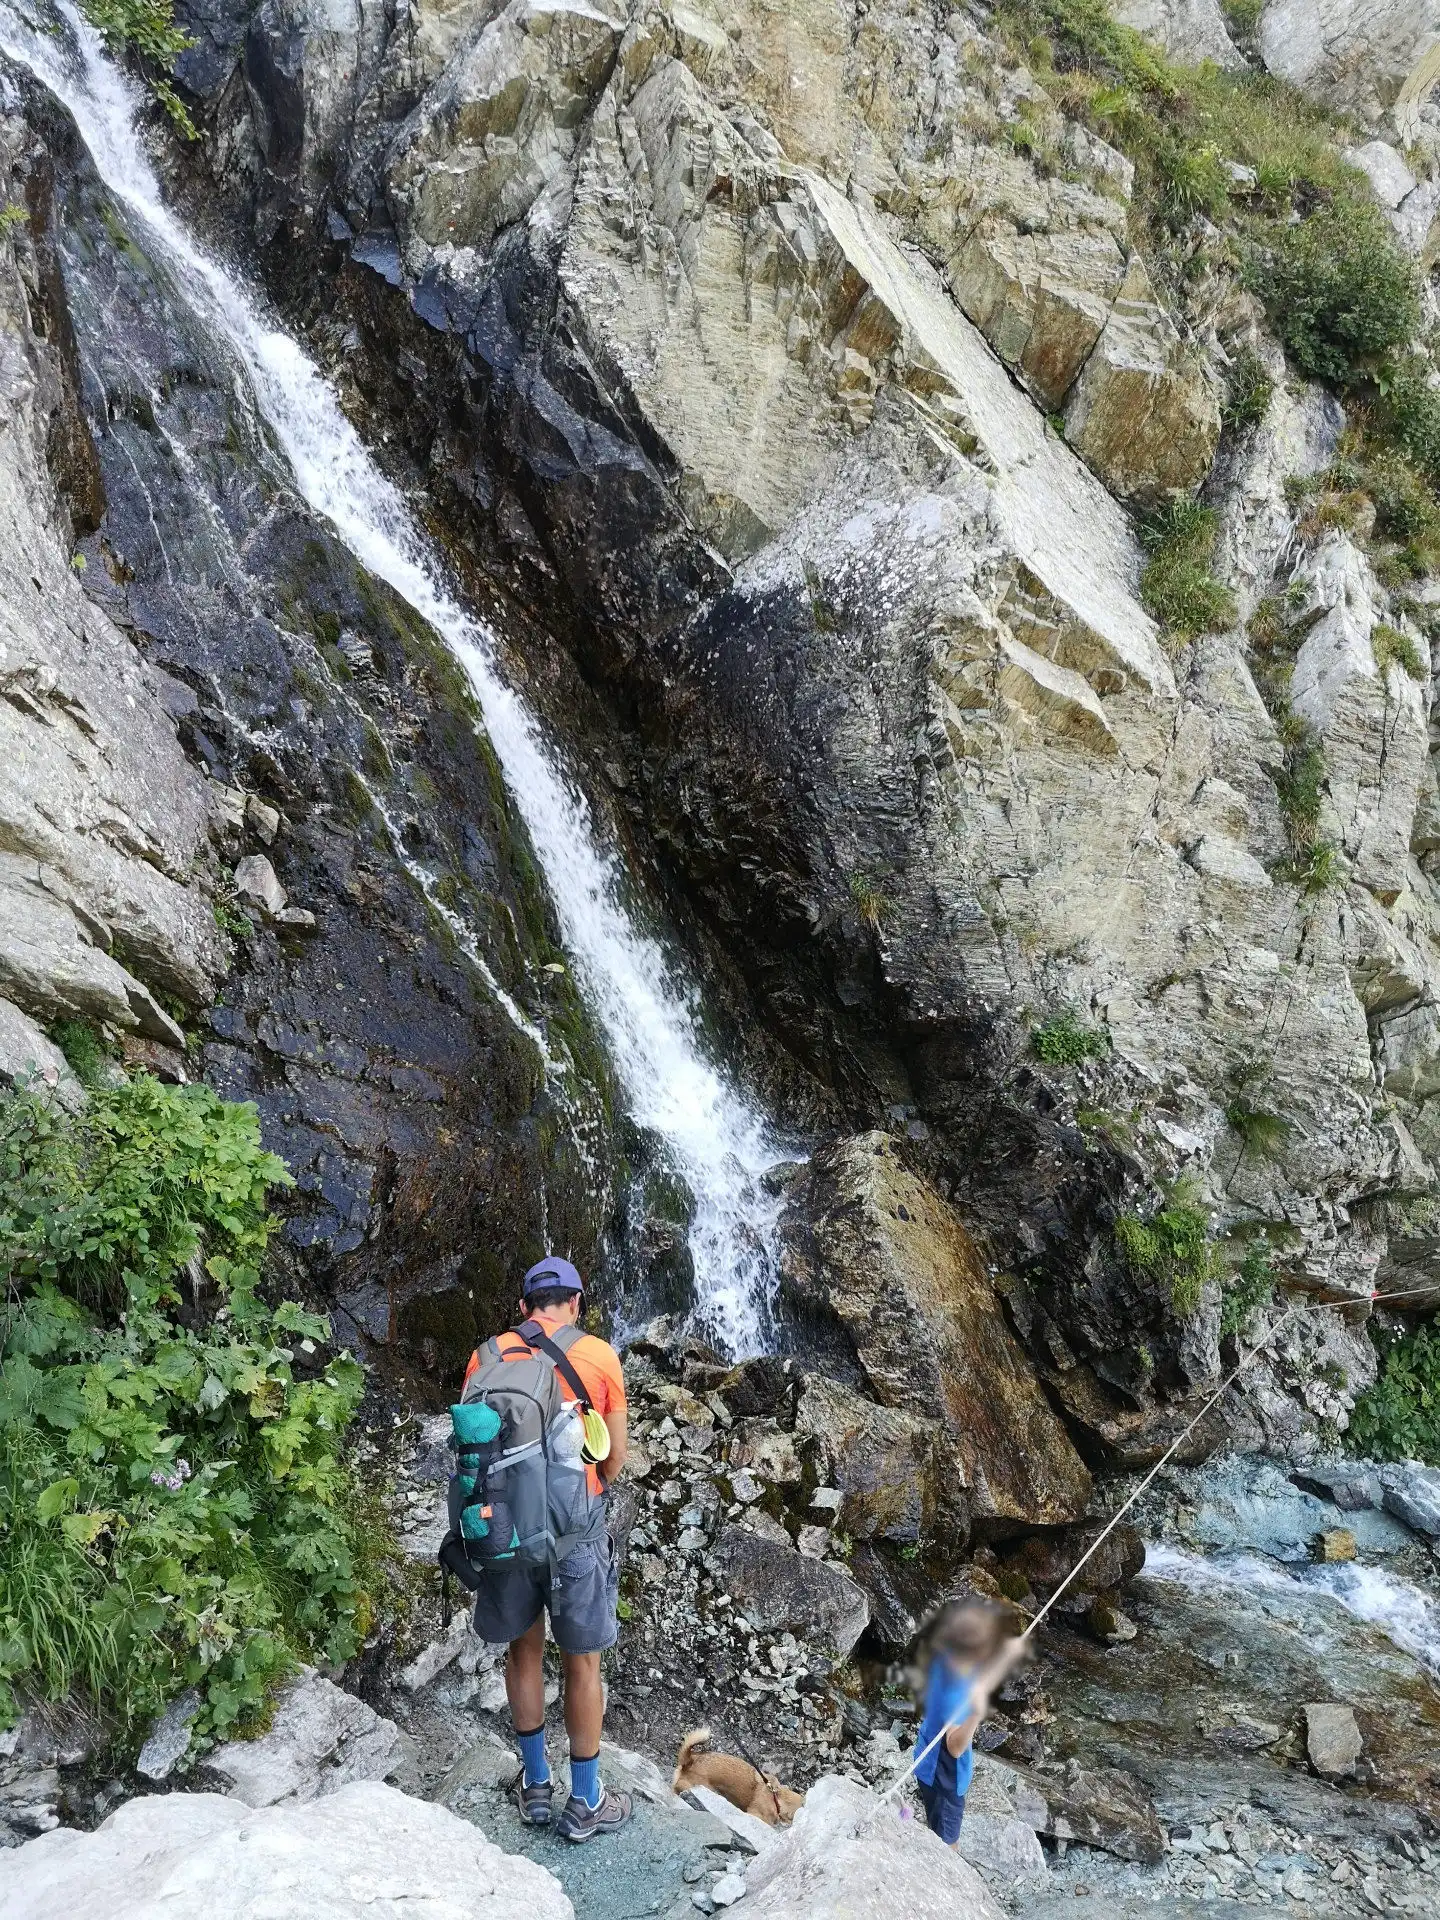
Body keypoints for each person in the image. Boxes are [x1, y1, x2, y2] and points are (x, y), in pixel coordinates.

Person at [461, 1256, 631, 1842]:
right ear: (576, 1304)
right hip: (575, 1530)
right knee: (583, 1663)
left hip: (508, 1526)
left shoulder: (485, 1357)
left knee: (522, 1652)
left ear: (523, 1307)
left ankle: (535, 1786)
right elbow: (613, 1457)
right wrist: (586, 1495)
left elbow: (475, 1449)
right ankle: (586, 1801)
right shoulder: (600, 1356)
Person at [912, 1600, 1029, 1847]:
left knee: (936, 1816)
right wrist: (976, 1714)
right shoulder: (955, 1695)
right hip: (943, 1777)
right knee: (947, 1839)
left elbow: (981, 1677)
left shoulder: (944, 1661)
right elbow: (955, 1747)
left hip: (925, 1759)